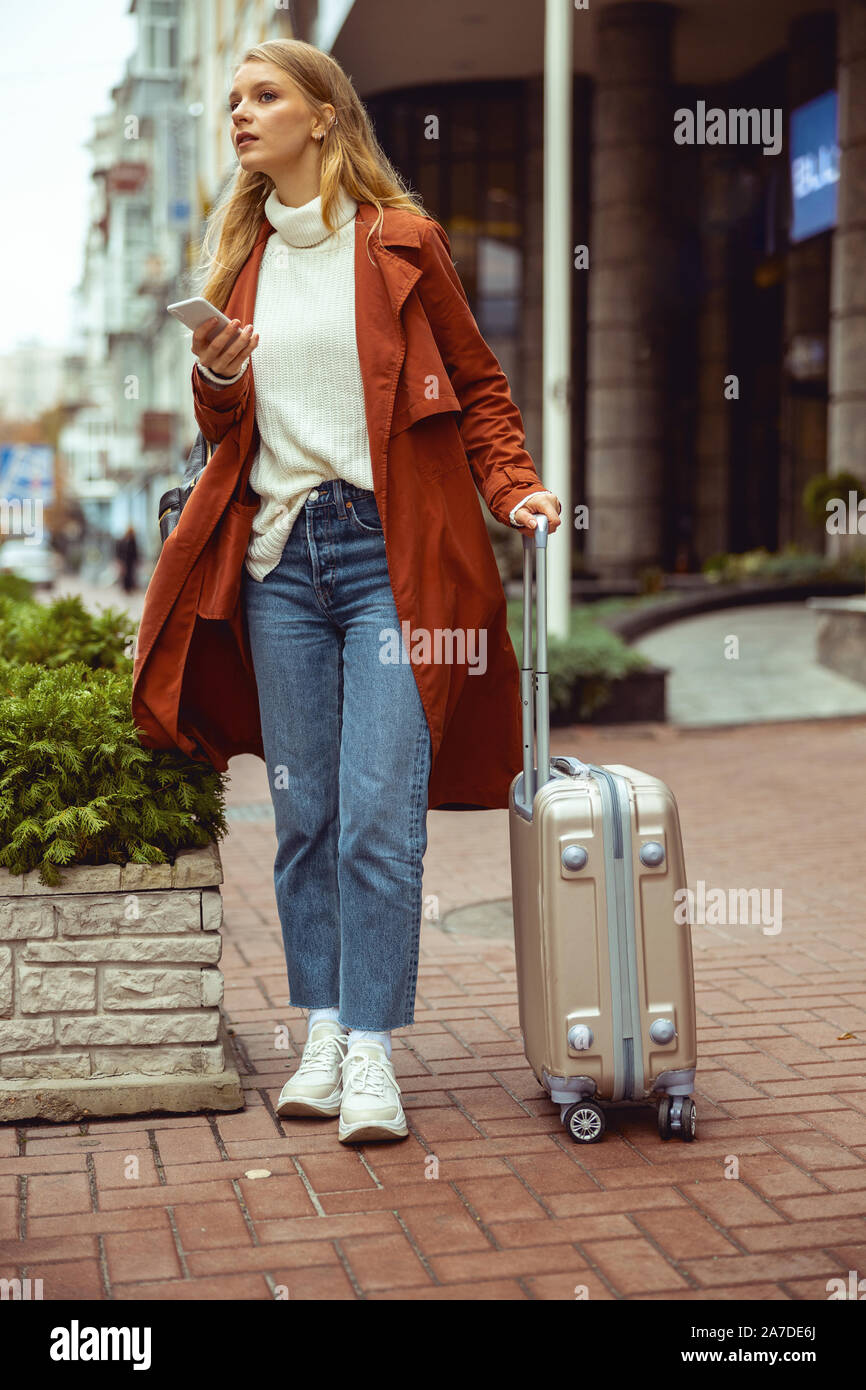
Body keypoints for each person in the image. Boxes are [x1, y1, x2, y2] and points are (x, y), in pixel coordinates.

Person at [189, 38, 562, 1144]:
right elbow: (229, 436)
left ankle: (369, 1051)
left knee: (374, 821)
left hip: (387, 560)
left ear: (321, 114)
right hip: (277, 568)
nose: (241, 116)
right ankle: (319, 1025)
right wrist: (215, 374)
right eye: (232, 102)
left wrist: (517, 487)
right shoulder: (240, 262)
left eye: (263, 97)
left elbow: (480, 387)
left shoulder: (399, 242)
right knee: (303, 816)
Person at [114, 525, 139, 593]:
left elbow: (135, 552)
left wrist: (137, 560)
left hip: (130, 562)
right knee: (124, 574)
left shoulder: (133, 541)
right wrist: (119, 560)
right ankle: (125, 589)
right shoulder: (123, 540)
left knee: (130, 574)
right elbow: (119, 551)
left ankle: (129, 589)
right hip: (124, 561)